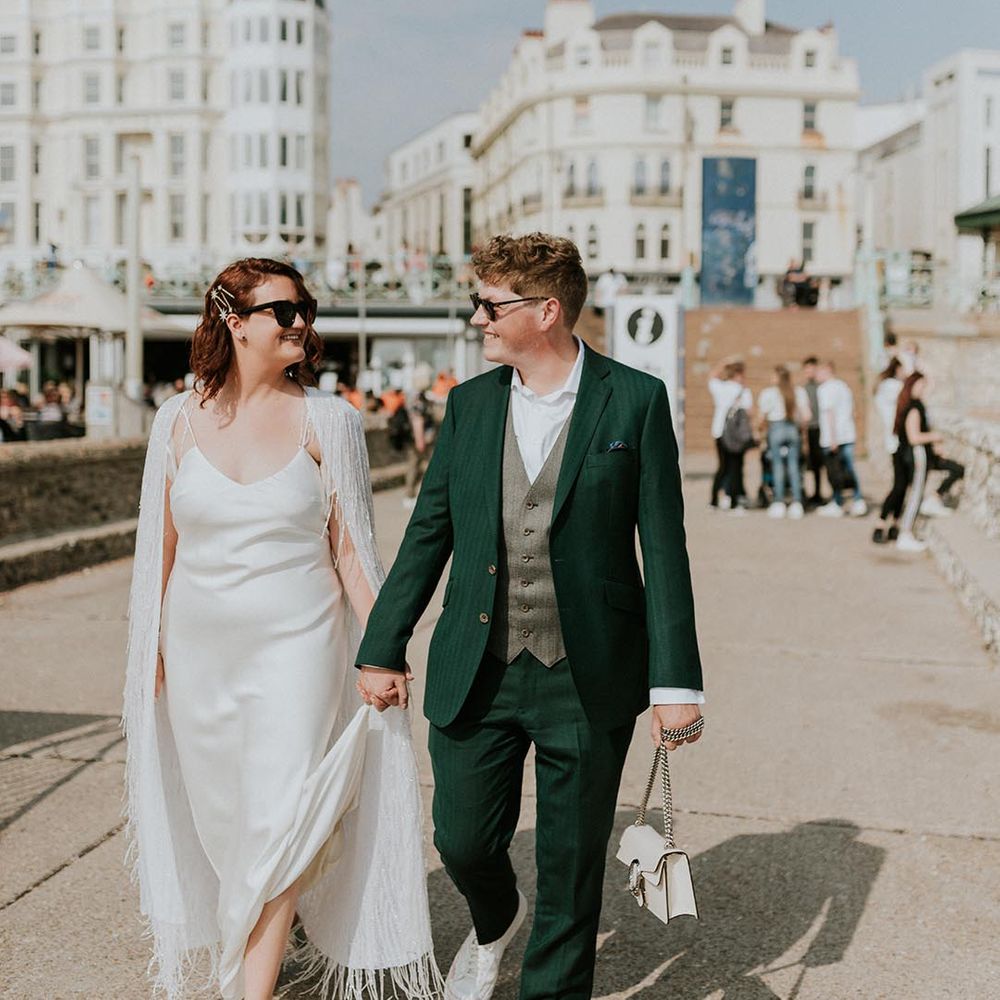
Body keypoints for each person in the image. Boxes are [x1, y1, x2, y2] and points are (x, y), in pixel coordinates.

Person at [355, 233, 704, 1000]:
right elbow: (429, 531)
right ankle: (495, 917)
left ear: (546, 311)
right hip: (475, 666)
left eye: (490, 303)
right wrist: (382, 645)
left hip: (590, 671)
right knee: (463, 840)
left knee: (573, 867)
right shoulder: (469, 405)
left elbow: (664, 546)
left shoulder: (635, 400)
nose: (477, 316)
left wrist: (676, 681)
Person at [122, 258, 438, 1000]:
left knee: (283, 819)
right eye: (284, 312)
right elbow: (155, 556)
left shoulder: (331, 419)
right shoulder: (176, 420)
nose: (303, 324)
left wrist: (383, 647)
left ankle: (248, 991)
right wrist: (150, 658)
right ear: (234, 321)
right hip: (203, 659)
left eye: (306, 310)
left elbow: (354, 549)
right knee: (230, 828)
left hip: (300, 649)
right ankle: (260, 952)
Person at [893, 373, 965, 550]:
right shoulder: (914, 408)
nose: (924, 389)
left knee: (916, 494)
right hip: (917, 454)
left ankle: (906, 532)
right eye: (921, 385)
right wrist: (936, 436)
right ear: (912, 386)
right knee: (916, 495)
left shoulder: (911, 405)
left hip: (915, 454)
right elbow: (914, 437)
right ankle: (905, 534)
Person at [757, 365, 811, 519]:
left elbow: (761, 417)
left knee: (778, 466)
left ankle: (779, 501)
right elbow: (806, 416)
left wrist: (760, 431)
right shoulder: (798, 392)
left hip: (776, 428)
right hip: (793, 428)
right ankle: (797, 503)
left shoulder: (769, 393)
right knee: (794, 466)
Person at [815, 360, 867, 518]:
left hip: (833, 437)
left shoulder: (825, 389)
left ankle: (838, 502)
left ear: (827, 371)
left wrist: (832, 438)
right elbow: (853, 411)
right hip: (847, 433)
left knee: (834, 471)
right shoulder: (844, 387)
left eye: (819, 372)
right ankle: (858, 500)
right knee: (849, 469)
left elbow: (829, 414)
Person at [708, 359, 753, 514]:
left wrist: (724, 362)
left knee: (722, 466)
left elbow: (712, 376)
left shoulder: (721, 387)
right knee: (736, 467)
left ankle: (714, 500)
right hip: (736, 436)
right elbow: (749, 412)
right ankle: (735, 501)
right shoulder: (743, 391)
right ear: (739, 374)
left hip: (719, 431)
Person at [871, 359, 906, 544]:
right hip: (898, 442)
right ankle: (881, 523)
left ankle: (894, 524)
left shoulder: (884, 387)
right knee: (899, 486)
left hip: (893, 441)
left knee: (901, 486)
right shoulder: (893, 386)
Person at [800, 357, 825, 505]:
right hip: (809, 429)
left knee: (820, 463)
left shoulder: (822, 387)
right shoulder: (803, 389)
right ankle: (808, 492)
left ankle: (818, 493)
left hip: (820, 428)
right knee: (809, 463)